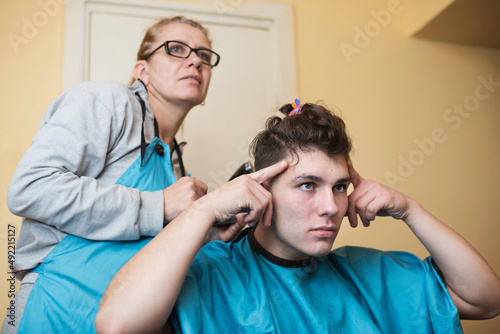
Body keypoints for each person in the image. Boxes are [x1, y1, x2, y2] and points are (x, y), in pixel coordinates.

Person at [96, 101, 500, 333]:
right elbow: (116, 325)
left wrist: (410, 210)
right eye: (308, 185)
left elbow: (485, 300)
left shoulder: (366, 273)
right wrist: (204, 209)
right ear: (261, 192)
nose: (331, 206)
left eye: (340, 187)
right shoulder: (210, 274)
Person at [3, 16, 243, 334]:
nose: (195, 61)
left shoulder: (175, 167)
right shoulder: (110, 102)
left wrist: (206, 234)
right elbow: (31, 187)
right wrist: (159, 205)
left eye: (204, 55)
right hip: (57, 311)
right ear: (141, 70)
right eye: (176, 49)